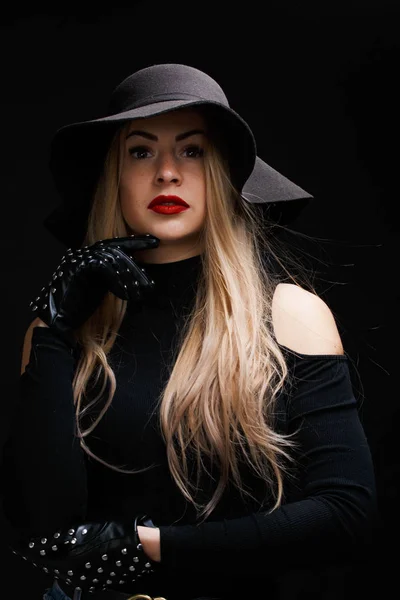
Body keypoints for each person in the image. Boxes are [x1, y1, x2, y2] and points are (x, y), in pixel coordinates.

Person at [1, 63, 377, 600]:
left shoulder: (290, 313)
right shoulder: (61, 324)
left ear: (221, 171)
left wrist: (152, 546)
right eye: (141, 151)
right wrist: (54, 326)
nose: (167, 173)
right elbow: (39, 521)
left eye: (192, 150)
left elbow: (347, 514)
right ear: (116, 174)